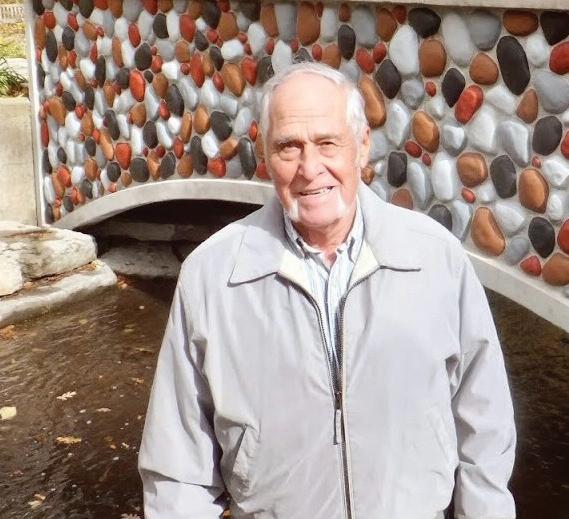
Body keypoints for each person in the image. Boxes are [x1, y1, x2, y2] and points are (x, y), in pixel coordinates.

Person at [139, 62, 516, 519]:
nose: (309, 168)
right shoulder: (212, 276)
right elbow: (178, 471)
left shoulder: (436, 259)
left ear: (362, 146)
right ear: (266, 156)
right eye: (288, 147)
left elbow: (485, 431)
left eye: (327, 143)